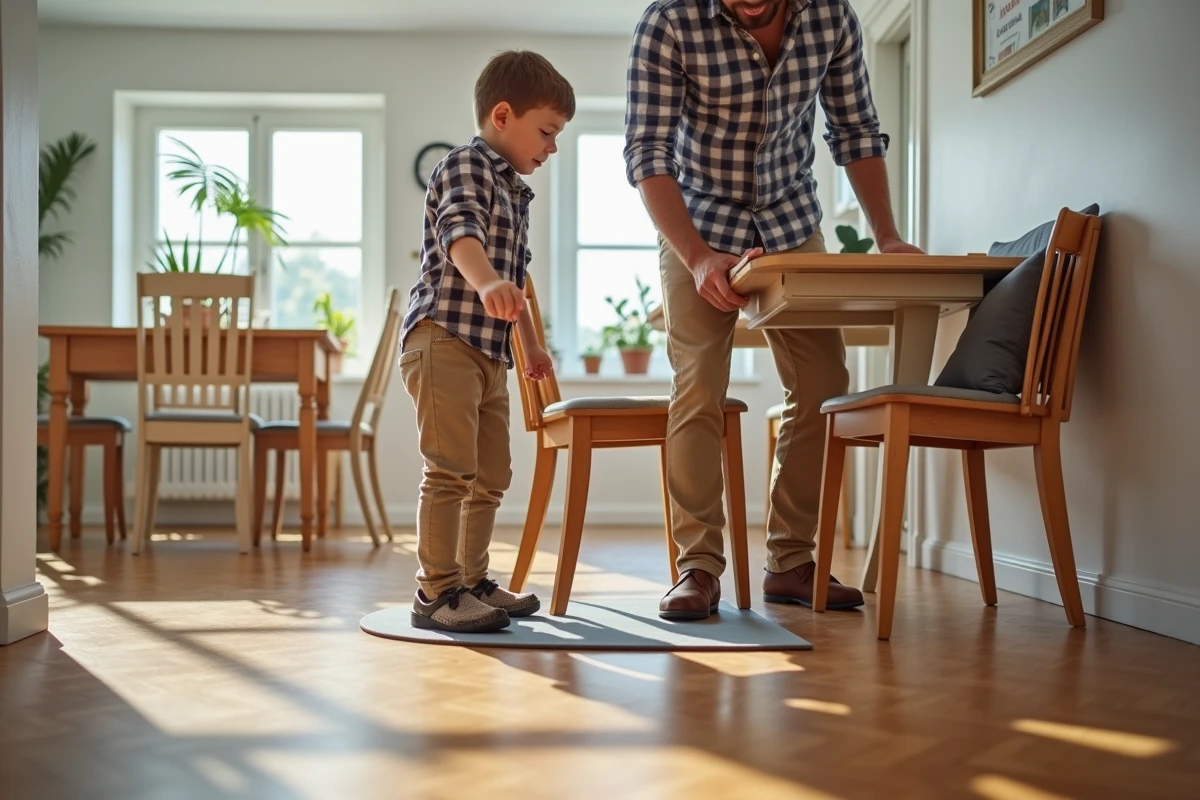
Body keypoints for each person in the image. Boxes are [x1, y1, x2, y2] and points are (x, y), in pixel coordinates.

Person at [624, 0, 924, 620]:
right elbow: (648, 155)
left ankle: (790, 561)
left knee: (823, 381)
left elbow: (855, 131)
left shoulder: (832, 18)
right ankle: (697, 568)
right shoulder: (669, 21)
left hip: (790, 220)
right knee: (699, 385)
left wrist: (888, 235)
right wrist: (699, 257)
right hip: (698, 225)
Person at [400, 50, 574, 632]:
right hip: (443, 336)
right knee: (449, 469)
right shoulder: (463, 166)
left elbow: (516, 276)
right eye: (547, 132)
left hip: (489, 351)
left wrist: (531, 343)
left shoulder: (517, 192)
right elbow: (460, 235)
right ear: (503, 115)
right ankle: (435, 592)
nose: (552, 147)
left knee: (491, 474)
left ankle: (471, 582)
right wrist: (487, 281)